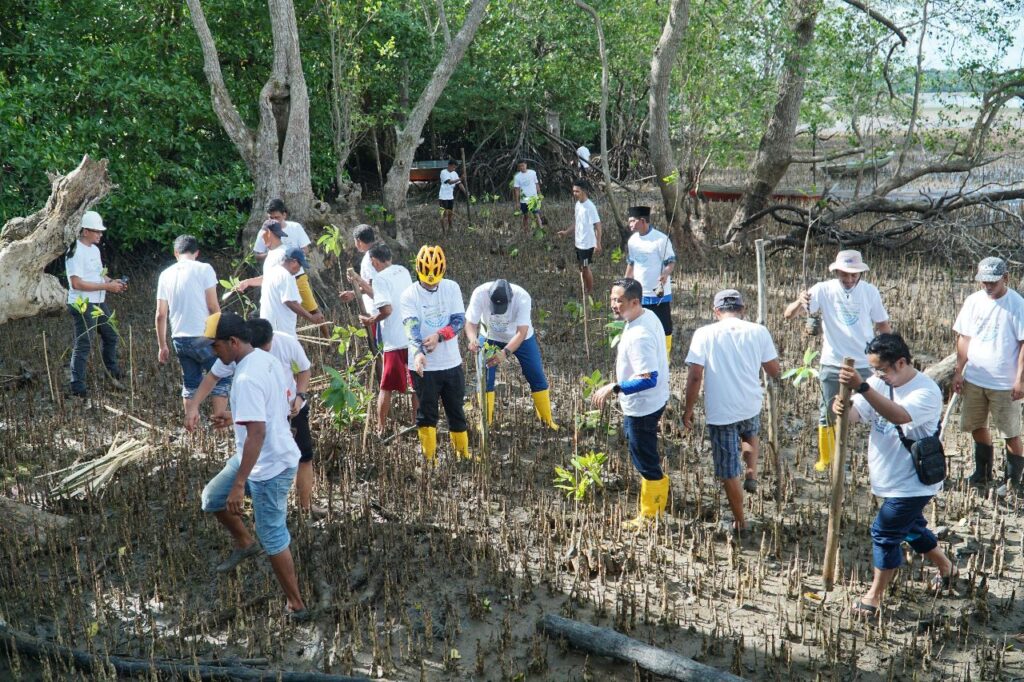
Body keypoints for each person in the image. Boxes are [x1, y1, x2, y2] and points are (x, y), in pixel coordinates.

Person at [833, 333, 956, 618]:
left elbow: (899, 415)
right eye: (873, 369)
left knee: (885, 533)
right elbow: (855, 416)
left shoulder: (926, 391)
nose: (878, 375)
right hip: (887, 478)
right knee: (911, 529)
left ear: (901, 362)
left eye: (882, 369)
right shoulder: (877, 383)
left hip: (913, 482)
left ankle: (873, 597)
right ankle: (947, 567)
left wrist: (862, 386)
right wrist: (841, 406)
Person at [197, 312, 308, 621]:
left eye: (215, 346)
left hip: (269, 464)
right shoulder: (263, 358)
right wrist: (236, 417)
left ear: (233, 342)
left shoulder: (246, 376)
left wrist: (239, 483)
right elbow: (272, 408)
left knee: (272, 536)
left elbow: (258, 433)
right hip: (259, 454)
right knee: (212, 499)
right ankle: (245, 544)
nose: (212, 353)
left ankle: (295, 604)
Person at [188, 318, 316, 512]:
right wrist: (194, 406)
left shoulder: (285, 344)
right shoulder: (239, 357)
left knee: (304, 458)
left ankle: (305, 508)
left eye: (268, 348)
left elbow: (305, 369)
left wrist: (299, 396)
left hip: (290, 410)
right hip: (268, 427)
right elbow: (212, 377)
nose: (264, 353)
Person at [783, 249, 891, 473]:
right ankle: (826, 459)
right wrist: (799, 301)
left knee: (877, 410)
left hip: (864, 362)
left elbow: (882, 325)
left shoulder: (870, 292)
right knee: (827, 412)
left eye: (854, 275)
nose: (849, 279)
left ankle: (880, 457)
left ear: (860, 273)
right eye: (844, 274)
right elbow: (788, 315)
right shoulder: (823, 289)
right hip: (832, 361)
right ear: (836, 272)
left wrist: (887, 358)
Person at [683, 290, 780, 532]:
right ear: (742, 309)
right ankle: (751, 473)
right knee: (749, 434)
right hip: (750, 403)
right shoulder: (758, 331)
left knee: (728, 470)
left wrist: (688, 410)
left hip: (721, 411)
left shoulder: (704, 334)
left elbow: (695, 376)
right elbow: (774, 370)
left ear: (716, 311)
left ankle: (740, 521)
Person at [591, 279, 670, 528]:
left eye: (620, 301)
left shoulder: (640, 335)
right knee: (644, 453)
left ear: (635, 302)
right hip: (652, 401)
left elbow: (648, 378)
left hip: (643, 406)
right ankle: (655, 503)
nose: (614, 305)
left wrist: (615, 387)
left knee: (644, 459)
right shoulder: (645, 316)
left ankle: (649, 515)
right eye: (612, 299)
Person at [952, 256, 1024, 496]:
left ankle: (1013, 480)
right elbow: (964, 338)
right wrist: (958, 372)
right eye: (984, 282)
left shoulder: (1017, 304)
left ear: (1005, 278)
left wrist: (1020, 380)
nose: (988, 286)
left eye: (993, 281)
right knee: (975, 425)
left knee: (1010, 432)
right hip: (974, 378)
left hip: (1004, 383)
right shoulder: (973, 302)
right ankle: (982, 473)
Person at [400, 245, 471, 462]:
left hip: (451, 364)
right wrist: (419, 353)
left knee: (456, 411)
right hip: (424, 368)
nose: (431, 283)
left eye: (435, 279)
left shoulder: (451, 288)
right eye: (427, 279)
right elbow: (410, 328)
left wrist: (440, 336)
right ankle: (429, 458)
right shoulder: (409, 295)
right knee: (427, 413)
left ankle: (462, 455)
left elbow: (459, 320)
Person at [465, 279, 558, 430]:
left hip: (521, 338)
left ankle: (547, 421)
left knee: (535, 375)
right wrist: (473, 339)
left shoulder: (522, 297)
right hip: (489, 337)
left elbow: (521, 332)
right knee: (484, 378)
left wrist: (505, 352)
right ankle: (485, 422)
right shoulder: (480, 293)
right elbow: (470, 323)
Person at [155, 234, 229, 413]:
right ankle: (219, 423)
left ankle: (191, 428)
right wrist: (223, 333)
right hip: (204, 336)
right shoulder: (204, 269)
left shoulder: (165, 274)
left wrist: (162, 345)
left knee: (190, 382)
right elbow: (213, 306)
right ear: (197, 253)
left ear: (176, 253)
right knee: (222, 378)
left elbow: (160, 314)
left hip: (179, 338)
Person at [65, 210, 127, 398]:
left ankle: (112, 370)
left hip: (98, 302)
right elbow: (76, 283)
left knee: (111, 335)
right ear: (85, 231)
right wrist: (107, 287)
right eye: (96, 231)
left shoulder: (95, 249)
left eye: (101, 231)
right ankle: (77, 386)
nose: (100, 234)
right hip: (82, 304)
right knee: (84, 343)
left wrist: (113, 281)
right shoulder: (74, 251)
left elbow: (99, 273)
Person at [358, 243, 417, 436]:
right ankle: (417, 422)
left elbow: (386, 310)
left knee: (386, 386)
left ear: (374, 262)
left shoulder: (380, 279)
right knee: (416, 382)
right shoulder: (403, 271)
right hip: (411, 335)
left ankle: (380, 427)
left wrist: (370, 320)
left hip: (394, 340)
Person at [251, 199, 319, 318]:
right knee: (277, 310)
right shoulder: (265, 231)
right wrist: (275, 254)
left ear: (284, 215)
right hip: (274, 279)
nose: (274, 220)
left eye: (277, 217)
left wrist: (291, 256)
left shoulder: (295, 227)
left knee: (313, 310)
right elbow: (257, 254)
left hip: (297, 276)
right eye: (270, 218)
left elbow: (306, 249)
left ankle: (325, 335)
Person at [624, 206, 676, 354]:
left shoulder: (660, 240)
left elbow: (670, 262)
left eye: (633, 221)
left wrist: (665, 274)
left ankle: (665, 356)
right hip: (640, 293)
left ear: (643, 221)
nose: (630, 224)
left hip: (659, 294)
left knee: (664, 327)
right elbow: (631, 263)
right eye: (629, 221)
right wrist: (625, 284)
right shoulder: (632, 241)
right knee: (640, 325)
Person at [260, 247, 322, 337]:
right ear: (293, 261)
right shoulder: (285, 275)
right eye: (300, 265)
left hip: (270, 328)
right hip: (281, 331)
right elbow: (290, 302)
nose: (299, 269)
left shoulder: (273, 271)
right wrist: (311, 317)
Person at [558, 180, 602, 296]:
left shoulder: (590, 207)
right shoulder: (578, 205)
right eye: (573, 191)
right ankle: (584, 288)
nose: (575, 193)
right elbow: (577, 222)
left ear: (584, 191)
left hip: (587, 244)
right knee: (581, 267)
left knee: (585, 267)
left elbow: (598, 225)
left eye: (577, 191)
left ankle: (589, 291)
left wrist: (598, 243)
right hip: (579, 242)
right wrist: (566, 232)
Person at [340, 225, 380, 344]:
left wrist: (353, 293)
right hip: (383, 309)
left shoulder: (369, 259)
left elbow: (373, 286)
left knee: (378, 345)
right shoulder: (382, 251)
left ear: (358, 241)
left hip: (375, 311)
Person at [512, 160, 543, 231]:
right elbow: (516, 190)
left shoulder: (533, 173)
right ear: (518, 167)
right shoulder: (517, 177)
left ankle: (541, 230)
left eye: (523, 165)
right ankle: (525, 231)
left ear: (526, 165)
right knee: (525, 216)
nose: (522, 167)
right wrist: (517, 202)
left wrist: (539, 193)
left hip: (533, 198)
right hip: (524, 200)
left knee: (536, 214)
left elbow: (536, 184)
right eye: (520, 166)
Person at [438, 160, 468, 232]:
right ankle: (443, 230)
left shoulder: (454, 173)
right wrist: (460, 178)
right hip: (443, 197)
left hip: (450, 197)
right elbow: (450, 182)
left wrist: (465, 192)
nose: (454, 169)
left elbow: (459, 183)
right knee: (444, 214)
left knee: (450, 214)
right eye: (453, 167)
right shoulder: (443, 172)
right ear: (449, 165)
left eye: (455, 168)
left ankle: (450, 227)